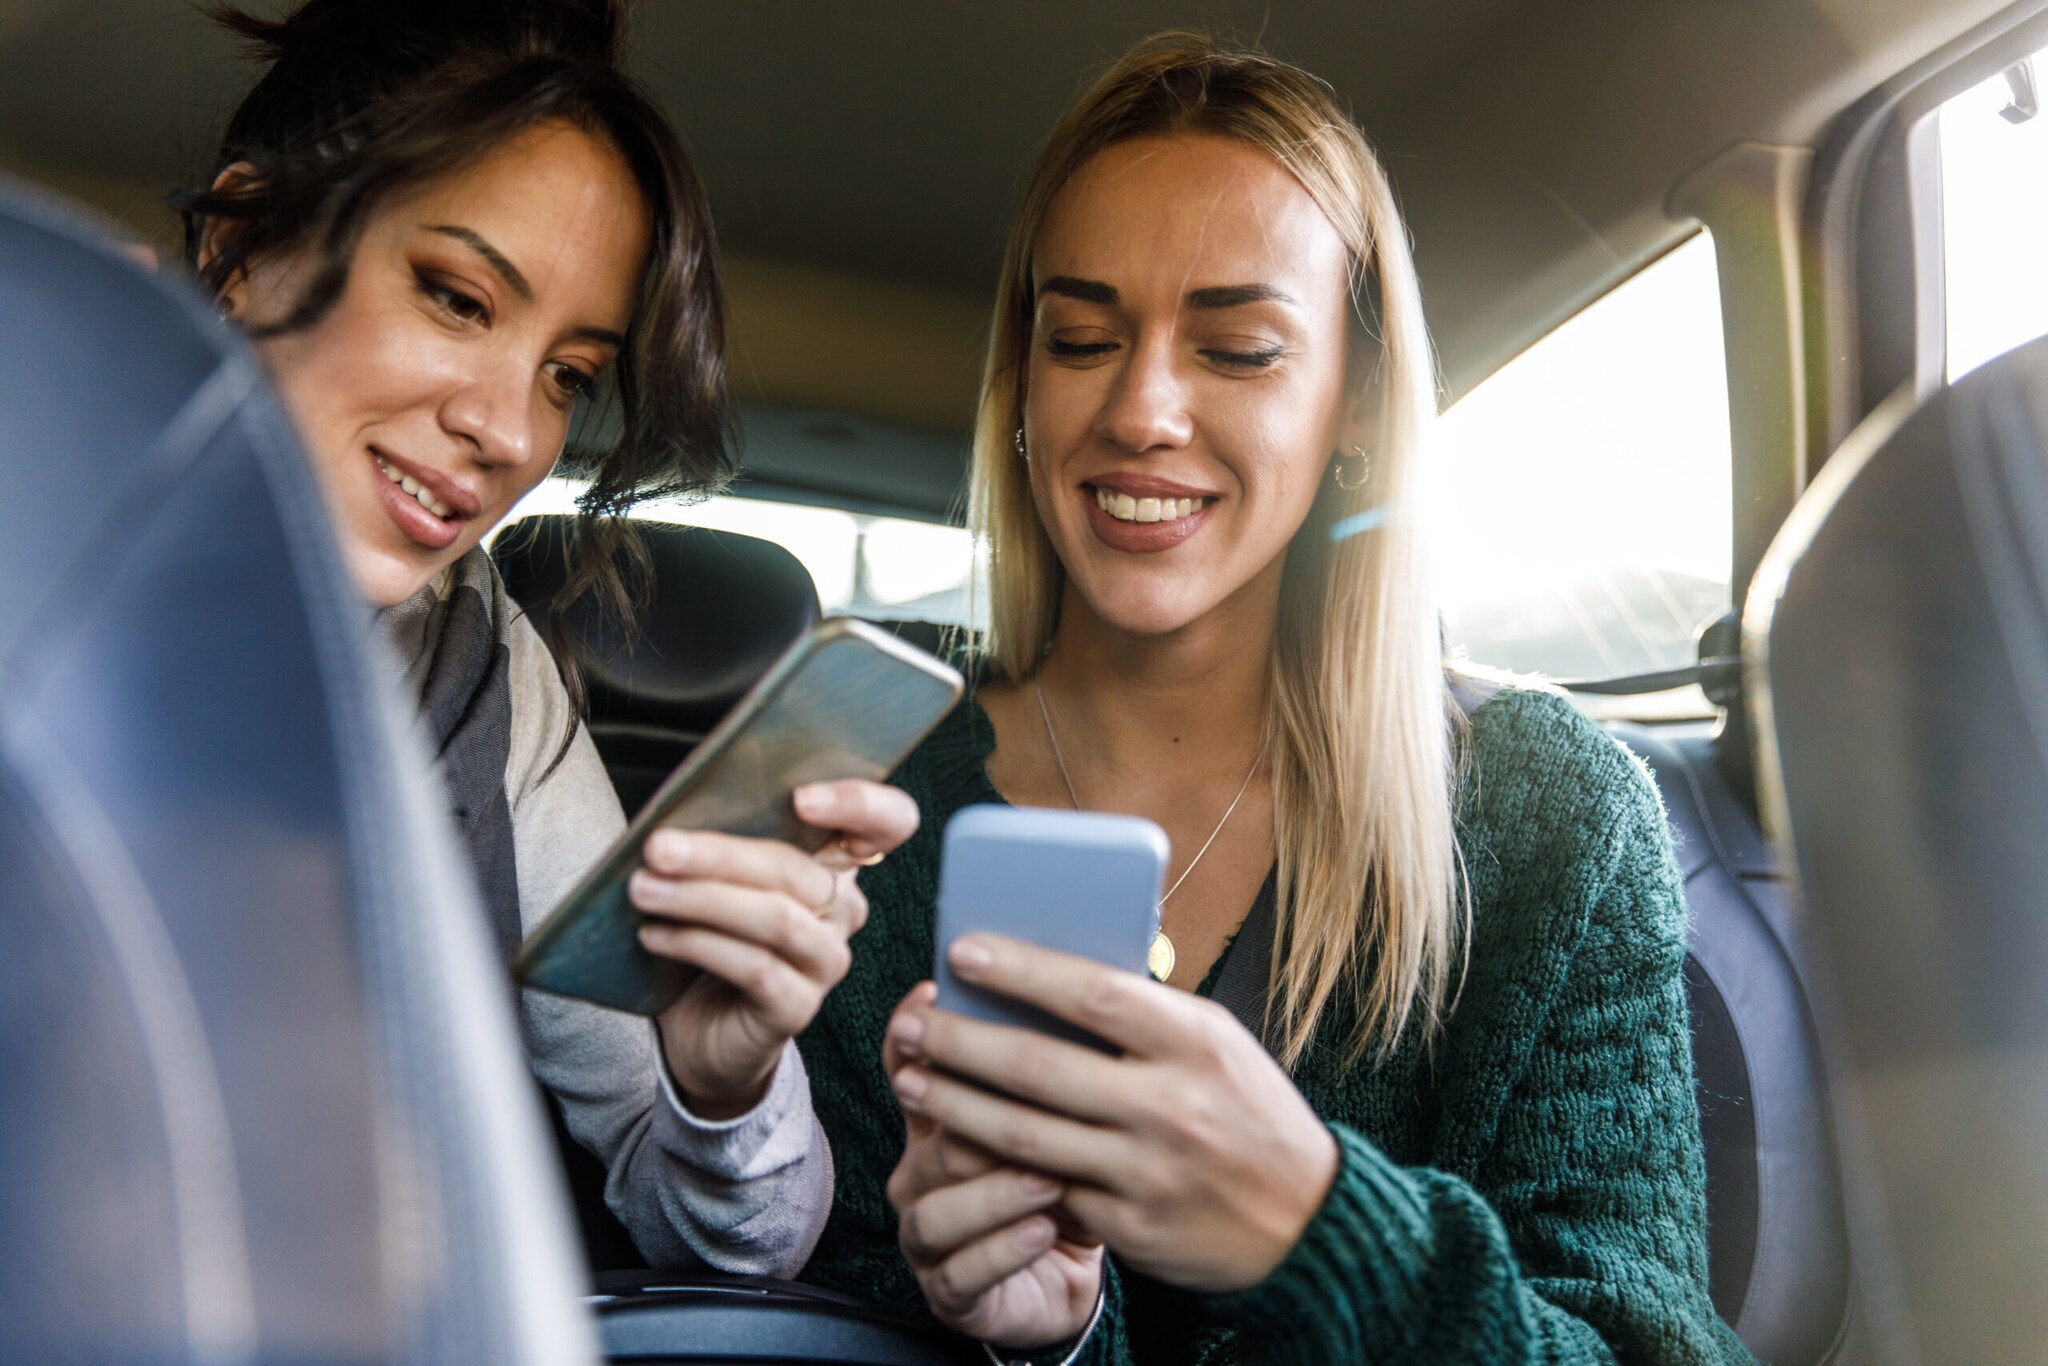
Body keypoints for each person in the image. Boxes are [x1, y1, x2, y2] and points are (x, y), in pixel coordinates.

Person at [795, 33, 1752, 1364]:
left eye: (1237, 350)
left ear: (1353, 402)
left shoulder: (1553, 823)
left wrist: (1312, 1226)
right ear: (1024, 391)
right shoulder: (864, 775)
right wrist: (1053, 1338)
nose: (1141, 407)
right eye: (1082, 337)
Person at [176, 0, 909, 1275]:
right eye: (458, 298)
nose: (511, 434)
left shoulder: (485, 676)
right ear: (243, 244)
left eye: (568, 374)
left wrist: (716, 1080)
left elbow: (724, 1236)